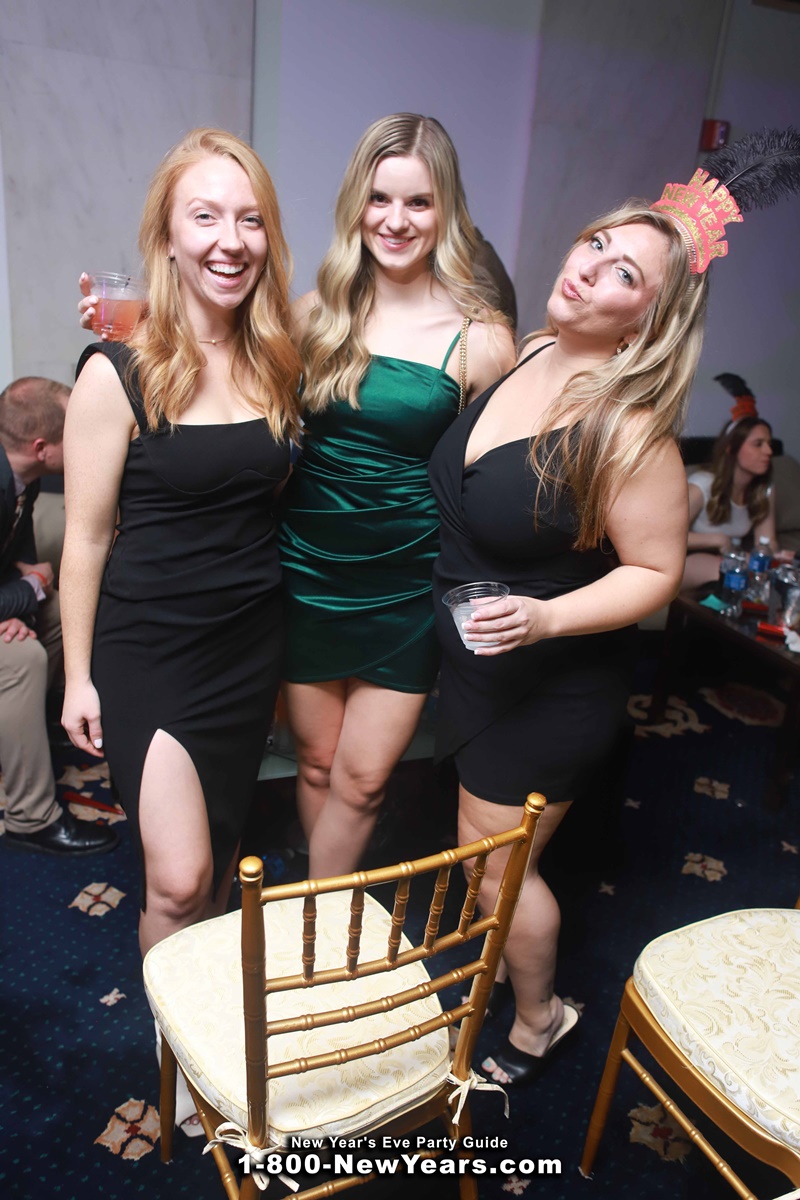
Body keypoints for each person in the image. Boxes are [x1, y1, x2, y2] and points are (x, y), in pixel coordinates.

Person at [430, 193, 714, 1085]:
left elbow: (657, 571)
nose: (588, 265)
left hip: (550, 685)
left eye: (623, 271)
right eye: (596, 241)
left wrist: (548, 616)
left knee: (497, 873)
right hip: (480, 659)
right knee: (480, 853)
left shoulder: (629, 428)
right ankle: (507, 985)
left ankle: (539, 1019)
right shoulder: (534, 351)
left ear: (649, 321)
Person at [60, 129, 301, 1128]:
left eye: (249, 219)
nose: (229, 240)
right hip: (149, 649)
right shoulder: (115, 370)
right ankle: (177, 1054)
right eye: (205, 216)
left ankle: (204, 1014)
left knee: (224, 855)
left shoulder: (279, 359)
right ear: (166, 234)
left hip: (248, 645)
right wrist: (78, 677)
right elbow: (84, 540)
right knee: (181, 875)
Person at [279, 113, 516, 878]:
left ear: (447, 212)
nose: (395, 220)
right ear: (357, 204)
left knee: (362, 778)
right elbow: (234, 397)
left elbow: (501, 477)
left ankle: (312, 918)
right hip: (305, 569)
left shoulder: (482, 338)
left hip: (408, 583)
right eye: (380, 199)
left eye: (418, 202)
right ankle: (320, 914)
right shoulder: (312, 315)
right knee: (317, 763)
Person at [1, 377, 118, 856]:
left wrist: (25, 599)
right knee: (21, 657)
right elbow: (31, 576)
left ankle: (36, 725)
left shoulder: (20, 476)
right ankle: (30, 818)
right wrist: (28, 590)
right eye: (78, 431)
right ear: (41, 448)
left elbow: (20, 549)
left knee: (70, 612)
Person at [682, 374, 790, 589]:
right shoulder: (702, 485)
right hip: (689, 560)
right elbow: (667, 536)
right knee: (730, 574)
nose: (769, 451)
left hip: (733, 561)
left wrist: (776, 556)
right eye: (758, 444)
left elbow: (765, 541)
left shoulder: (764, 489)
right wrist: (717, 539)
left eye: (769, 444)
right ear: (732, 448)